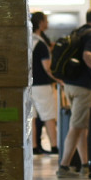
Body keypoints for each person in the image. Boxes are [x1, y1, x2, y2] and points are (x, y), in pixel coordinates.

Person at [57, 8, 91, 179]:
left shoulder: (78, 32)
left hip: (70, 85)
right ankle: (63, 166)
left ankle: (85, 165)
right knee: (77, 126)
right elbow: (87, 56)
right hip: (84, 87)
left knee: (81, 127)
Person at [29, 11, 58, 155]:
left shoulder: (28, 41)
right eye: (46, 20)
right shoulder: (41, 44)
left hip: (28, 86)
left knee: (32, 117)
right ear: (40, 23)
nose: (48, 23)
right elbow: (47, 68)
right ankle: (54, 146)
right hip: (42, 85)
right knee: (48, 116)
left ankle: (34, 147)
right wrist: (59, 79)